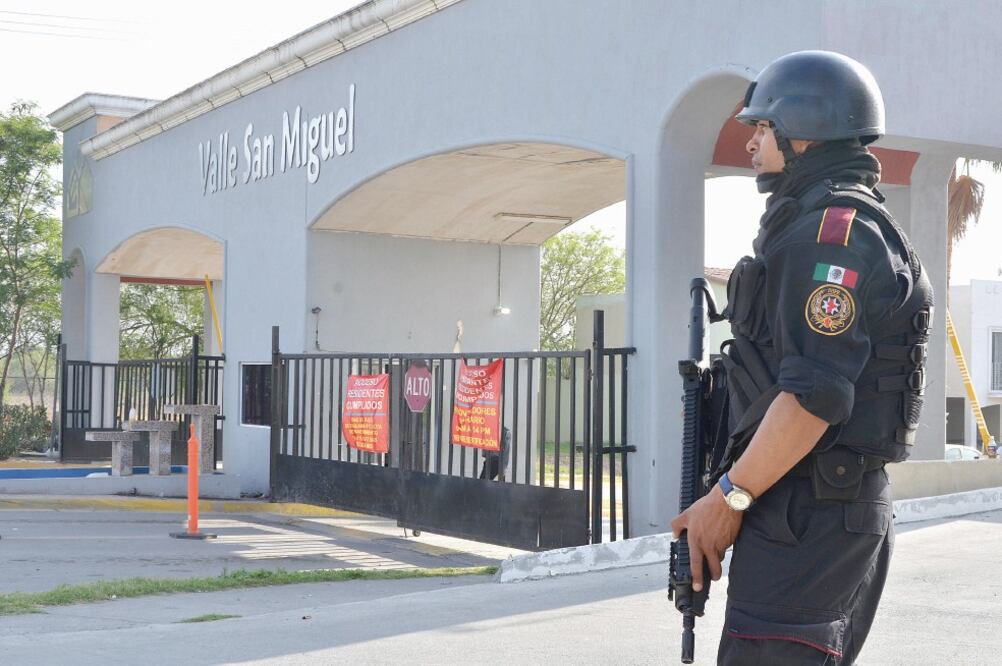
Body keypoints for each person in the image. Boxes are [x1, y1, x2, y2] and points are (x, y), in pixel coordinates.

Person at [670, 50, 934, 665]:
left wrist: (728, 498)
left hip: (811, 512)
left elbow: (815, 394)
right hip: (814, 507)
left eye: (763, 128)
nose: (752, 143)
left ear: (805, 128)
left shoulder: (831, 234)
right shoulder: (819, 224)